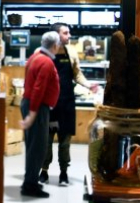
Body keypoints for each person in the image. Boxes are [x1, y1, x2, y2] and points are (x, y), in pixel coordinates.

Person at [39, 23, 99, 187]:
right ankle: (43, 171)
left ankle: (63, 173)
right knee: (46, 141)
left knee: (65, 142)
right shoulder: (44, 53)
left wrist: (89, 85)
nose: (69, 36)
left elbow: (76, 74)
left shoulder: (71, 51)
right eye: (66, 33)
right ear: (56, 35)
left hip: (66, 103)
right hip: (49, 105)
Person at [19, 31, 60, 198]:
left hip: (30, 104)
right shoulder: (46, 62)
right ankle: (30, 185)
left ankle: (30, 181)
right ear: (55, 45)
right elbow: (38, 88)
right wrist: (33, 114)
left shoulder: (34, 57)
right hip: (37, 107)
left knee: (32, 147)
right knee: (38, 148)